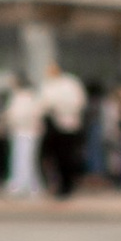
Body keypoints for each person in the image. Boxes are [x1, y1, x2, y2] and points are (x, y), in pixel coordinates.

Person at [40, 62, 87, 200]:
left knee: (66, 158)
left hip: (68, 126)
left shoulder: (69, 84)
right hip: (54, 124)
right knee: (55, 158)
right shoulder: (49, 85)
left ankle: (67, 186)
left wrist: (60, 108)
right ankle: (58, 185)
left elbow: (78, 102)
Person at [3, 71, 44, 201]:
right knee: (21, 159)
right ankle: (30, 186)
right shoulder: (19, 96)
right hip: (20, 131)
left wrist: (11, 118)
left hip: (27, 131)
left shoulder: (27, 97)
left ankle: (23, 186)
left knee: (25, 159)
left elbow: (24, 114)